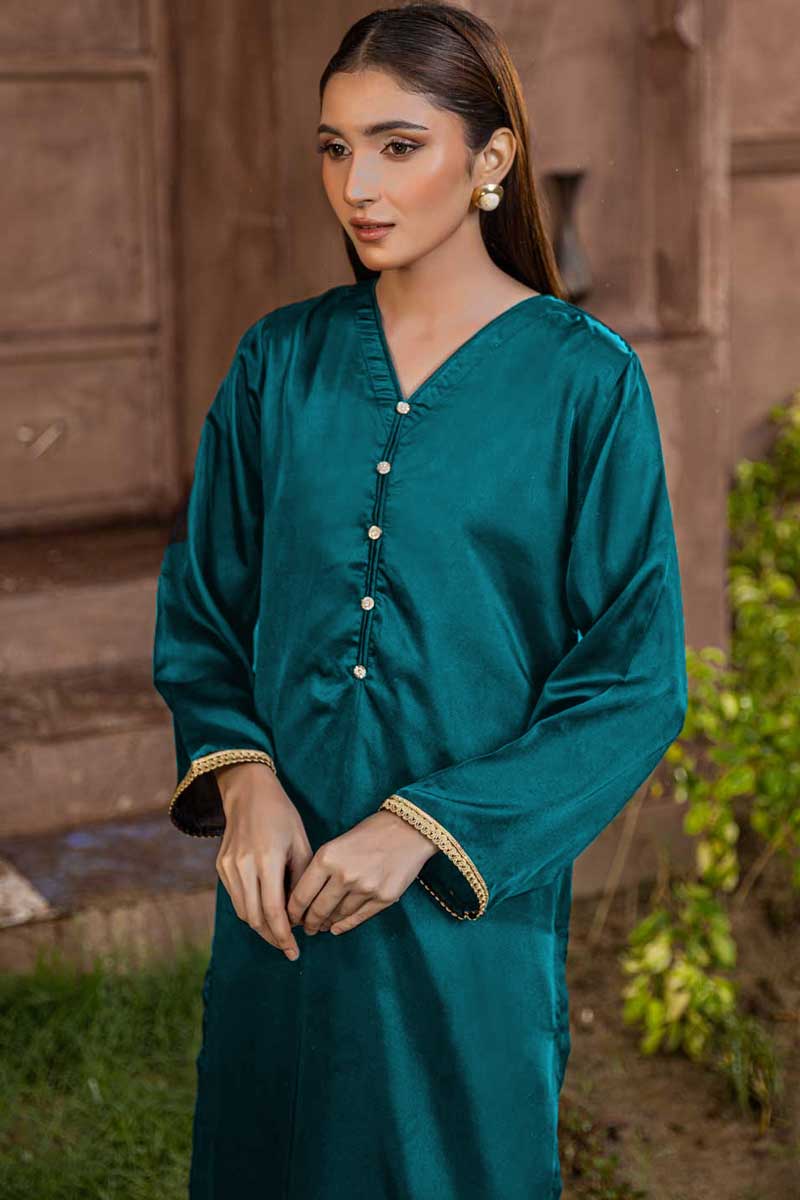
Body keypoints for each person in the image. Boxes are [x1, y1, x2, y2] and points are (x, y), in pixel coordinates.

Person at [152, 4, 689, 1197]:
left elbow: (633, 680)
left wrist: (420, 830)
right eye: (334, 148)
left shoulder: (583, 383)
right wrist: (243, 784)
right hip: (283, 894)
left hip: (466, 911)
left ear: (490, 158)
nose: (358, 185)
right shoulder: (279, 364)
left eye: (399, 146)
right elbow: (203, 612)